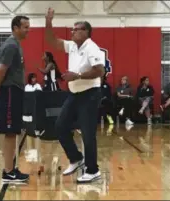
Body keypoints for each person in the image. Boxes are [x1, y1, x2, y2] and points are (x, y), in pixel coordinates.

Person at [45, 8, 105, 183]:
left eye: (76, 29)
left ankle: (93, 170)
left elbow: (100, 71)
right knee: (60, 126)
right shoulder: (72, 46)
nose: (72, 32)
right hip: (74, 94)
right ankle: (76, 158)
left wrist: (77, 76)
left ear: (85, 32)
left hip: (90, 95)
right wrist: (49, 21)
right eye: (72, 29)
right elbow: (51, 40)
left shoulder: (92, 48)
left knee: (87, 133)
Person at [0, 15, 30, 184]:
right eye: (25, 27)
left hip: (16, 92)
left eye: (28, 27)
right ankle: (8, 172)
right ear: (15, 28)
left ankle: (11, 169)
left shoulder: (16, 45)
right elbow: (1, 70)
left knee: (13, 131)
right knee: (9, 131)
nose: (28, 30)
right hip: (9, 92)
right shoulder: (11, 45)